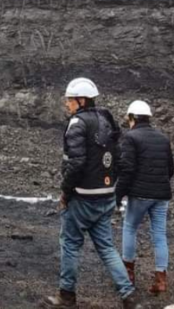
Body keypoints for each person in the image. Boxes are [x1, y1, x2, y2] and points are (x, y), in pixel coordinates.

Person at [42, 78, 141, 308]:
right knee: (106, 247)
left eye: (69, 99)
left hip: (82, 197)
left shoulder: (77, 123)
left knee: (70, 244)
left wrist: (66, 191)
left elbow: (75, 164)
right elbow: (118, 159)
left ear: (81, 100)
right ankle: (129, 296)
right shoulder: (107, 120)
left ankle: (67, 295)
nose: (67, 103)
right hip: (105, 195)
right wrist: (110, 185)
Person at [116, 99, 174, 296]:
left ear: (132, 118)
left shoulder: (131, 138)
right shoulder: (163, 138)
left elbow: (127, 169)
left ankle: (128, 274)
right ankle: (161, 279)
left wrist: (118, 195)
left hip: (140, 195)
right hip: (162, 195)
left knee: (130, 227)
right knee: (159, 234)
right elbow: (170, 170)